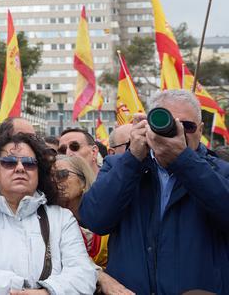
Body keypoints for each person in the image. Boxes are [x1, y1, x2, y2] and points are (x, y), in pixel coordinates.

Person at [80, 90, 229, 295]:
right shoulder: (120, 165)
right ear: (147, 126)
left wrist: (185, 162)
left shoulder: (221, 171)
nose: (178, 132)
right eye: (167, 123)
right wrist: (132, 160)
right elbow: (94, 219)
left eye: (187, 126)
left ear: (201, 129)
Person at [0, 132, 96, 294]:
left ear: (39, 171)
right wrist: (20, 287)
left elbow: (84, 274)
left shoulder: (61, 218)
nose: (20, 168)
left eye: (29, 163)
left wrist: (47, 292)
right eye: (9, 162)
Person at [53, 156, 131, 295]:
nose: (55, 182)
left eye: (62, 175)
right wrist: (101, 277)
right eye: (50, 178)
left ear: (83, 181)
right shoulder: (52, 221)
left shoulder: (109, 215)